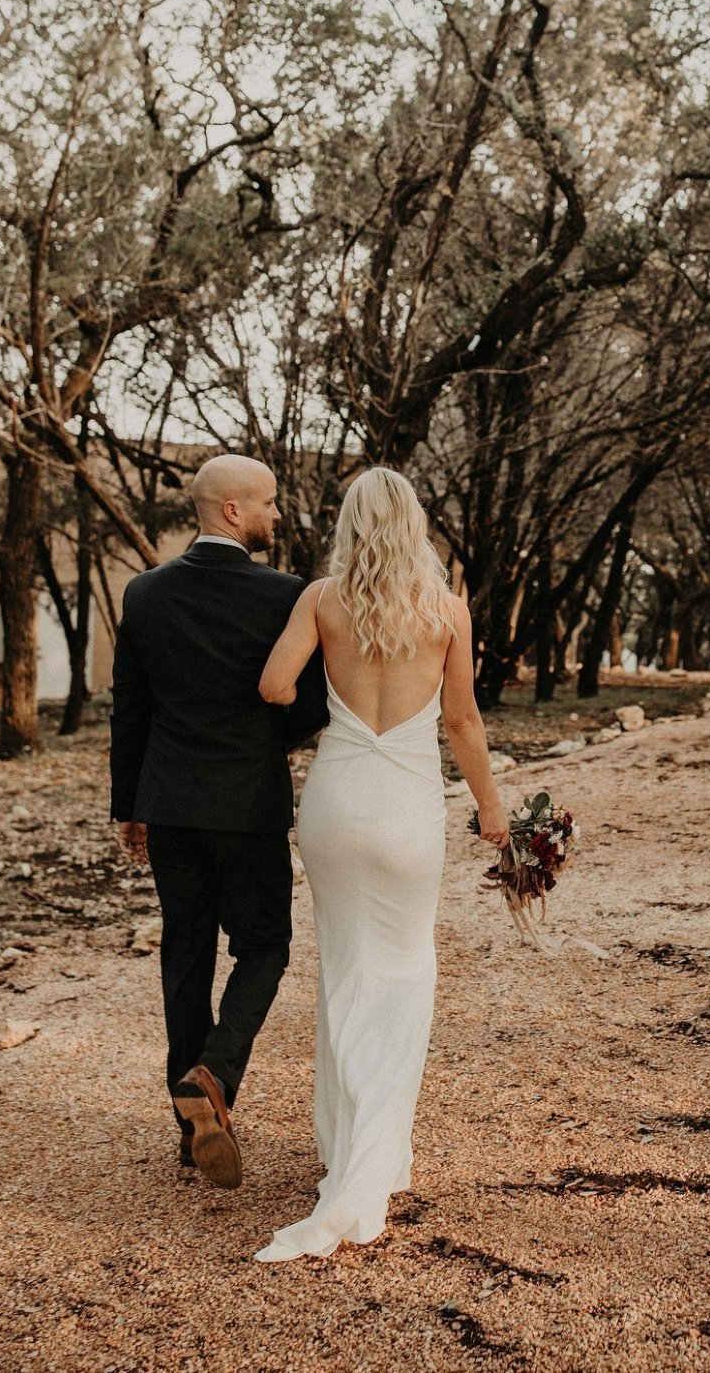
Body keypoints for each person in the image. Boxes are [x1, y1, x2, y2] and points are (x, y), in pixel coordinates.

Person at [252, 465, 509, 1261]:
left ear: (351, 524)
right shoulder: (447, 610)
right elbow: (461, 721)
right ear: (415, 524)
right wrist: (493, 809)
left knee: (345, 968)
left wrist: (333, 713)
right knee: (403, 973)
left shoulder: (322, 598)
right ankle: (372, 1165)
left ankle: (348, 1150)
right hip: (405, 806)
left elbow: (272, 684)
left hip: (335, 797)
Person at [109, 454, 328, 1187]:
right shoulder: (285, 596)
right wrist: (261, 747)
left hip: (169, 805)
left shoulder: (144, 594)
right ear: (232, 510)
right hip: (247, 805)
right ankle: (216, 1073)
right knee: (264, 946)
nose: (276, 516)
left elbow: (131, 711)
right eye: (268, 503)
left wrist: (128, 805)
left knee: (187, 955)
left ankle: (187, 1127)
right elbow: (308, 706)